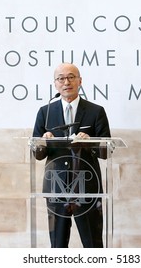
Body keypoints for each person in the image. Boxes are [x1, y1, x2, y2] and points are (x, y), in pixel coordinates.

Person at [32, 63, 111, 248]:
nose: (66, 82)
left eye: (71, 77)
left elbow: (106, 151)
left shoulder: (95, 111)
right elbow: (37, 153)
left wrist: (90, 141)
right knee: (58, 245)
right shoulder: (45, 111)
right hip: (56, 186)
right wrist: (44, 141)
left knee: (93, 243)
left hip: (87, 186)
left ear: (80, 81)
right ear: (55, 84)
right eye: (61, 78)